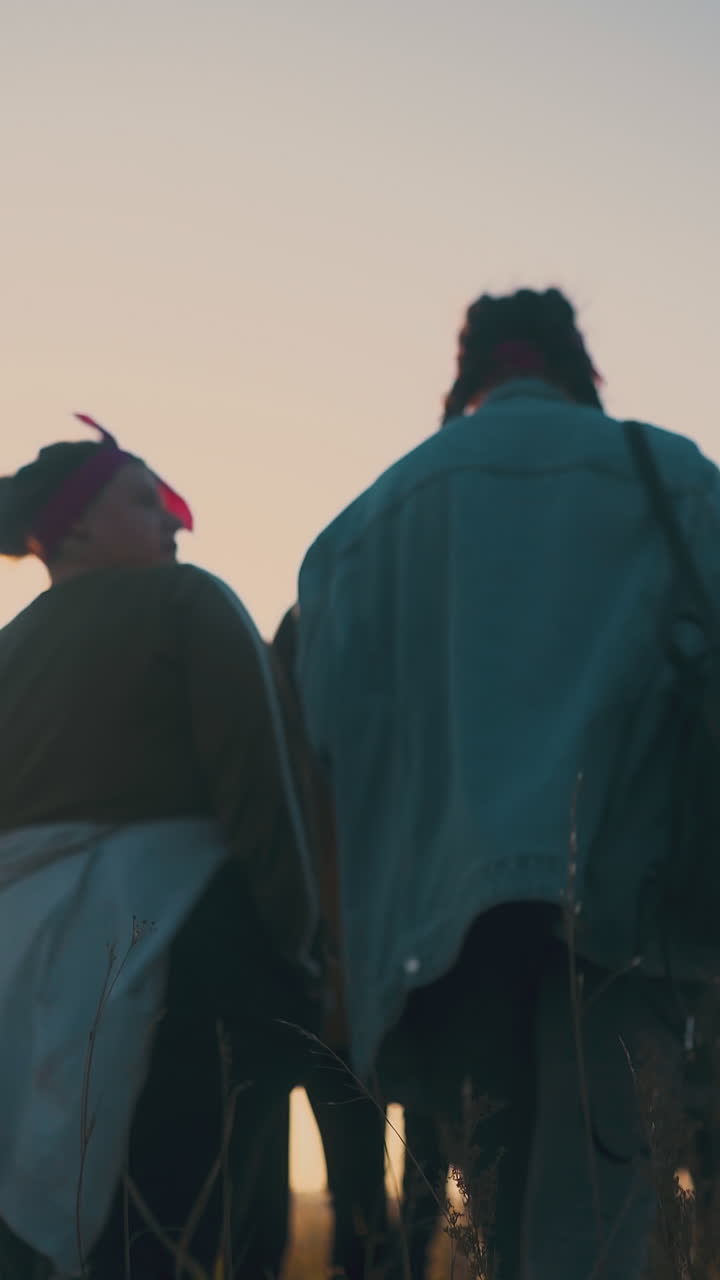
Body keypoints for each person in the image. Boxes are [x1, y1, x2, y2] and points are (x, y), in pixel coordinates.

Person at [293, 288, 720, 1278]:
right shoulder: (674, 480)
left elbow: (321, 736)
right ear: (580, 368)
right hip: (629, 910)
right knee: (601, 1208)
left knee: (492, 1207)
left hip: (440, 937)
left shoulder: (362, 526)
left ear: (469, 372)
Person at [0, 416, 323, 1279]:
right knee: (180, 1242)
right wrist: (303, 953)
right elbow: (267, 793)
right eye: (150, 502)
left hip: (16, 982)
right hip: (186, 962)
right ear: (72, 526)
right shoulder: (189, 603)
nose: (178, 523)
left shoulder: (8, 651)